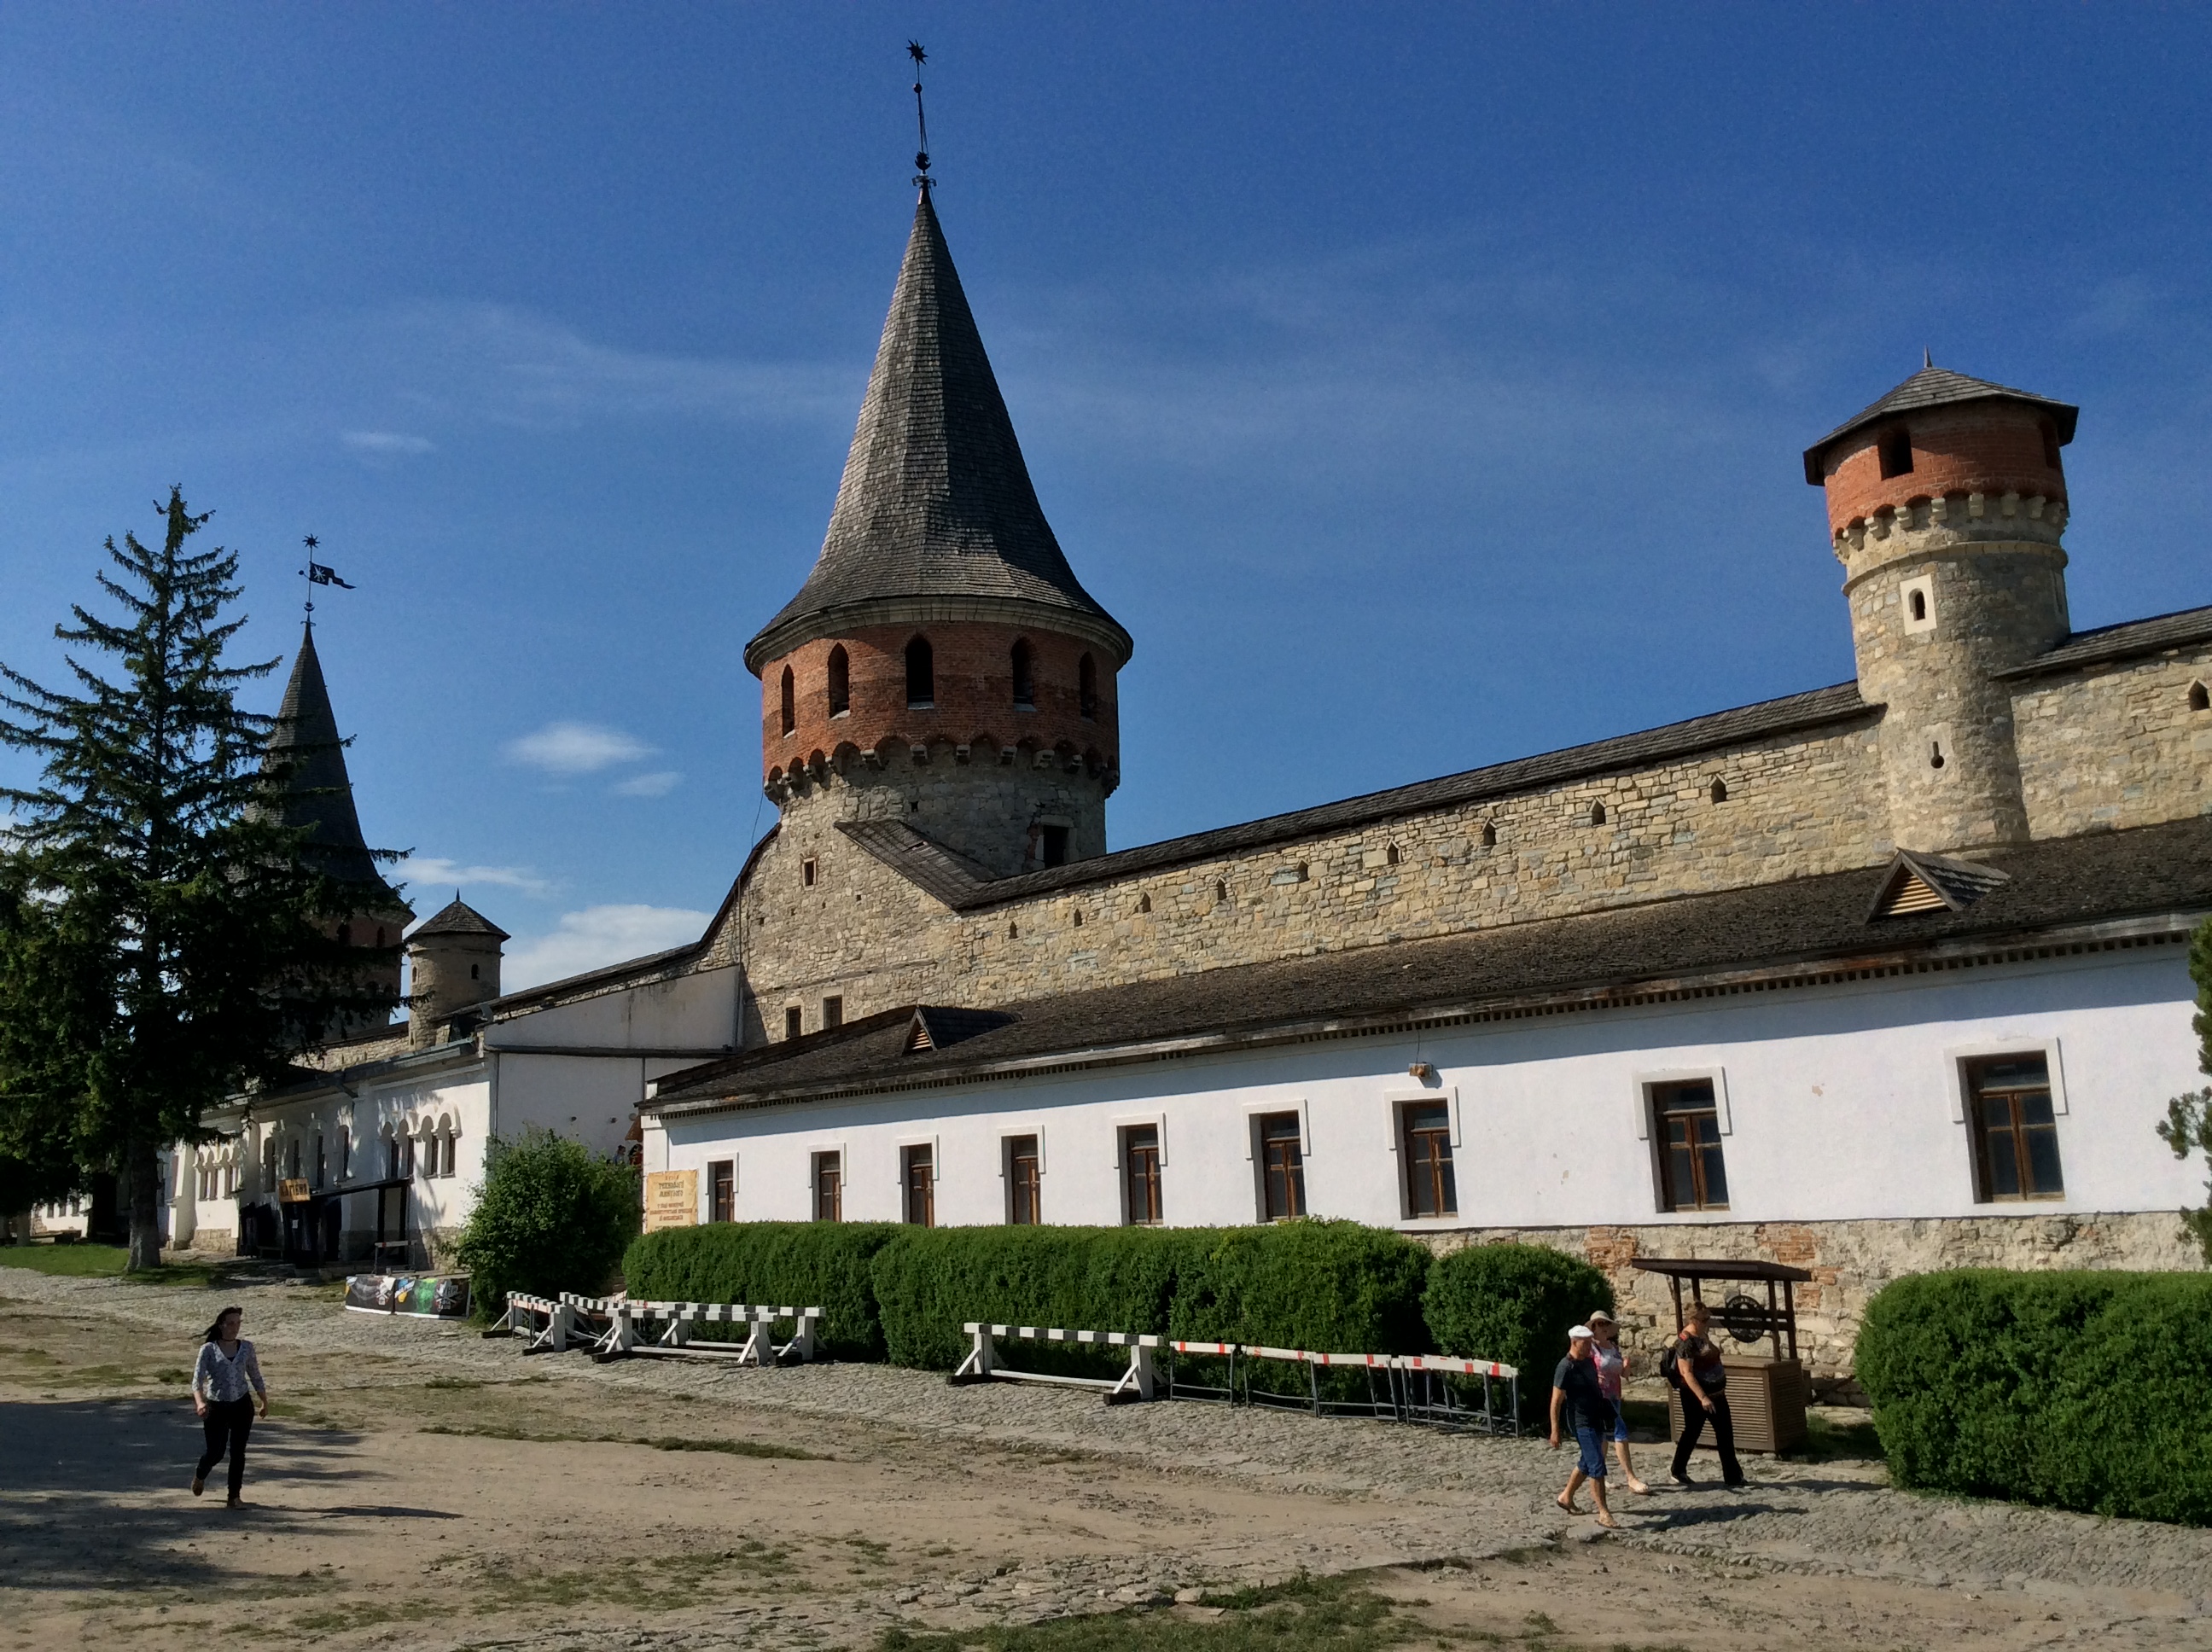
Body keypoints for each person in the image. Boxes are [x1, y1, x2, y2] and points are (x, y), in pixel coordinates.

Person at [191, 1305, 268, 1507]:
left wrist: (264, 1401)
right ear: (221, 1325)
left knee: (238, 1452)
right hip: (216, 1407)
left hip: (242, 1405)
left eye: (238, 1323)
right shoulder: (208, 1350)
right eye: (231, 1323)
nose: (235, 1328)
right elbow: (196, 1381)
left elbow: (255, 1375)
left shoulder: (247, 1348)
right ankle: (201, 1472)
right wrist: (200, 1403)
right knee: (215, 1452)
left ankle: (234, 1497)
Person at [1547, 1324, 1619, 1528]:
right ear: (1574, 1342)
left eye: (1590, 1343)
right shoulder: (1565, 1367)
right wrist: (1555, 1430)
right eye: (1585, 1344)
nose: (1589, 1347)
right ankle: (1604, 1512)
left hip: (1596, 1418)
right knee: (1597, 1463)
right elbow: (1556, 1401)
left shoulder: (1588, 1362)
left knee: (1587, 1463)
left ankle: (1566, 1497)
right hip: (1581, 1423)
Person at [1668, 1300, 1745, 1490]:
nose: (1707, 1322)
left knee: (1725, 1433)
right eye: (1704, 1319)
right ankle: (1678, 1470)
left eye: (1708, 1318)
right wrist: (1702, 1397)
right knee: (1692, 1432)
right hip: (1697, 1397)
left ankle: (1733, 1476)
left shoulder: (1703, 1335)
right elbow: (1687, 1372)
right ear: (1694, 1319)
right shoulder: (1685, 1342)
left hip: (1717, 1394)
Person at [1586, 1310, 1650, 1495]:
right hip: (1600, 1399)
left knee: (1604, 1437)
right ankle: (1631, 1477)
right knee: (1620, 1433)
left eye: (1606, 1324)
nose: (1603, 1328)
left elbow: (1624, 1374)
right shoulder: (1591, 1349)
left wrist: (1626, 1367)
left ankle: (1598, 1476)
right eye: (1599, 1324)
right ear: (1593, 1328)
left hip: (1614, 1397)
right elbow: (1583, 1369)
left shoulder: (1612, 1347)